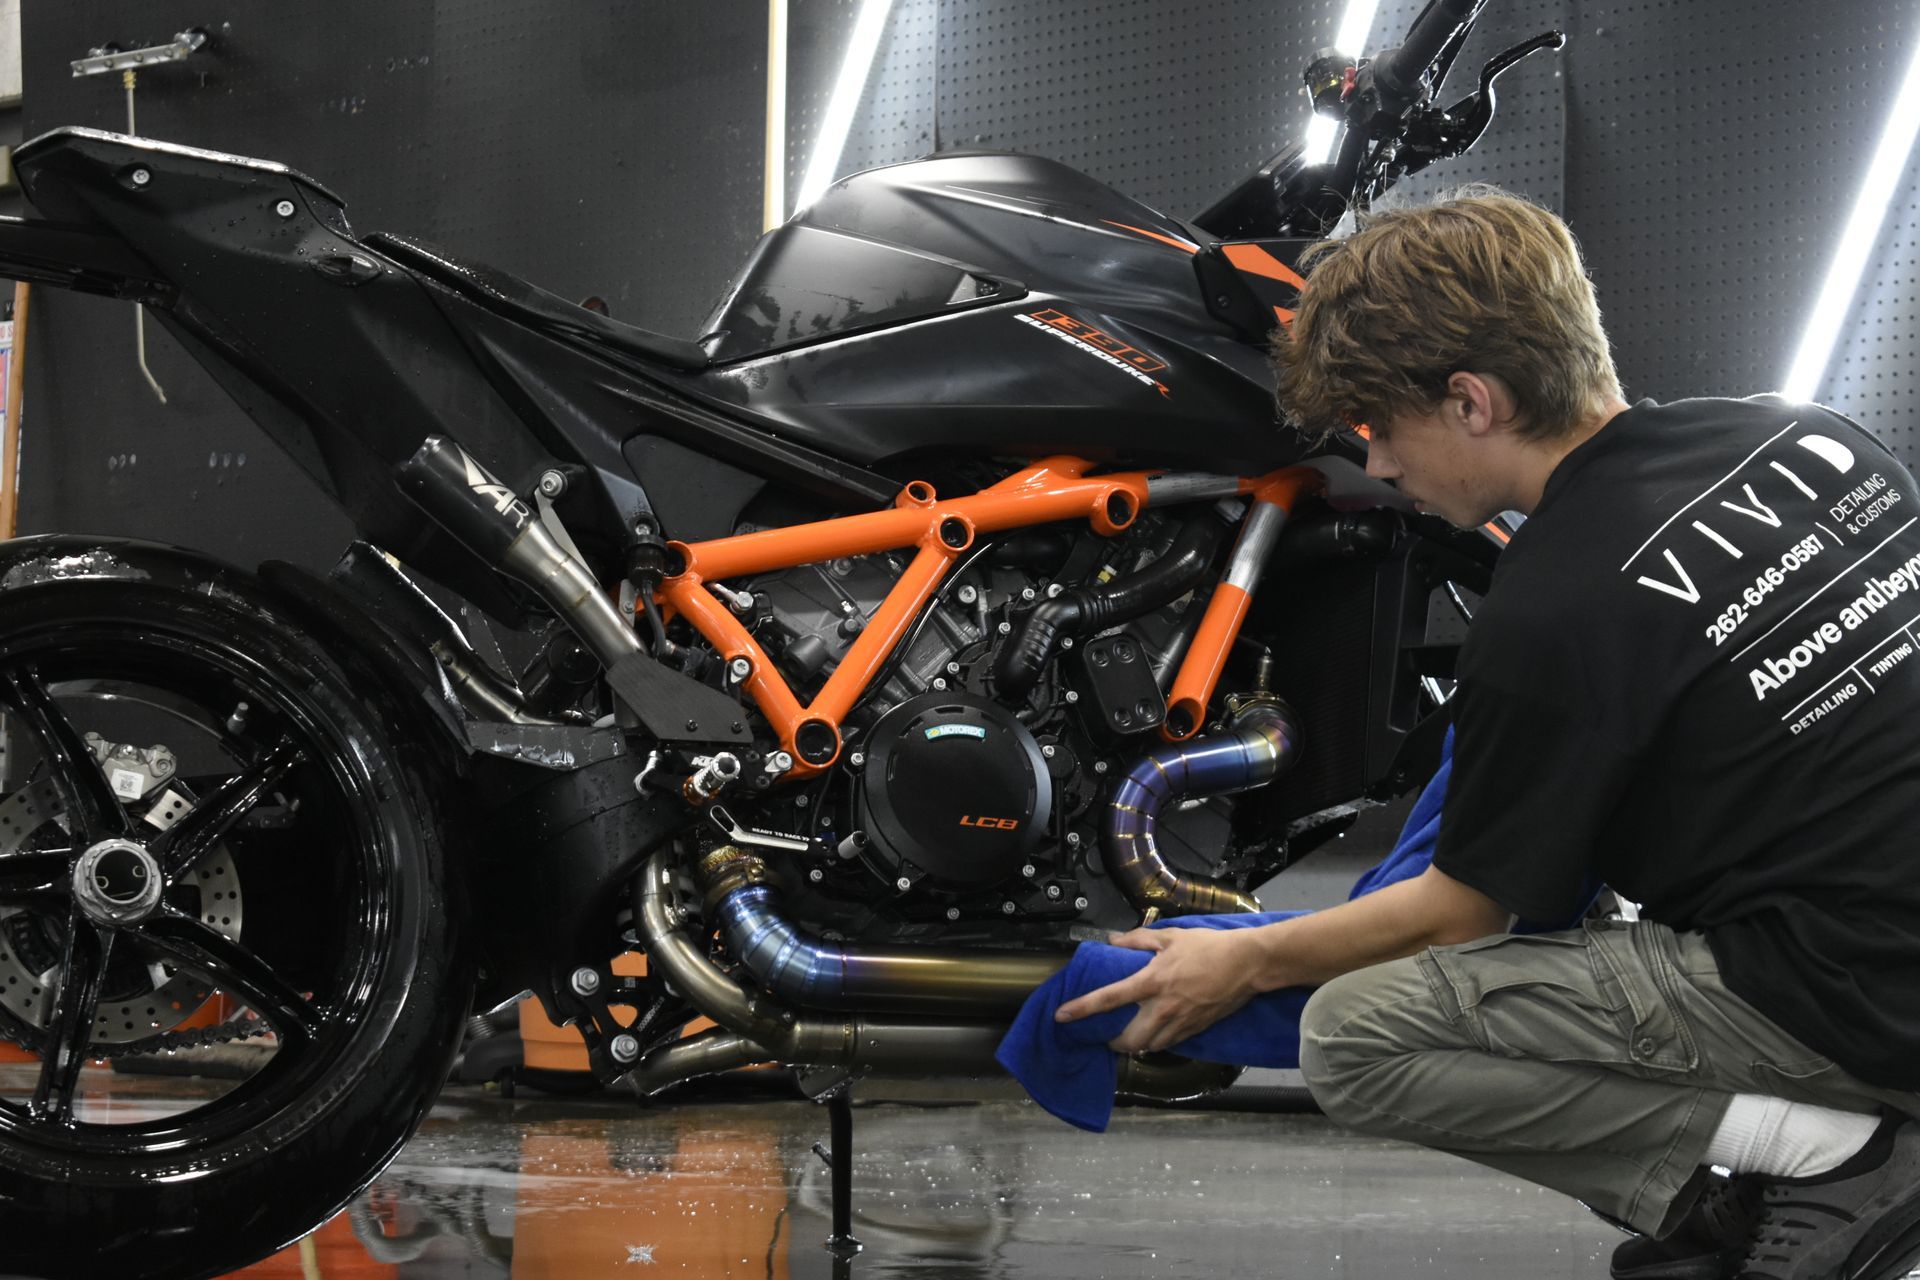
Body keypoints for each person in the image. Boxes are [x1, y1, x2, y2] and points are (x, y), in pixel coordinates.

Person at [1054, 188, 1920, 1280]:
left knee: (1359, 1034)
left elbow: (1463, 913)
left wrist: (1238, 956)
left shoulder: (1554, 600)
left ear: (1471, 400)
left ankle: (1821, 1162)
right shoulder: (1808, 439)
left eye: (1379, 425)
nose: (1377, 465)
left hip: (1864, 1003)